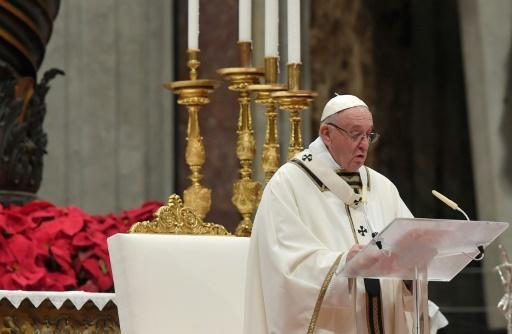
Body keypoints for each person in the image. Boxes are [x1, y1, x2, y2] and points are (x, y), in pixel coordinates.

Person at [243, 95, 448, 334]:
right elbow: (283, 265)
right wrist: (343, 263)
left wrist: (417, 256)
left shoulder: (381, 186)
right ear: (327, 134)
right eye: (355, 134)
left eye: (368, 135)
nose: (364, 144)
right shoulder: (288, 184)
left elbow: (411, 243)